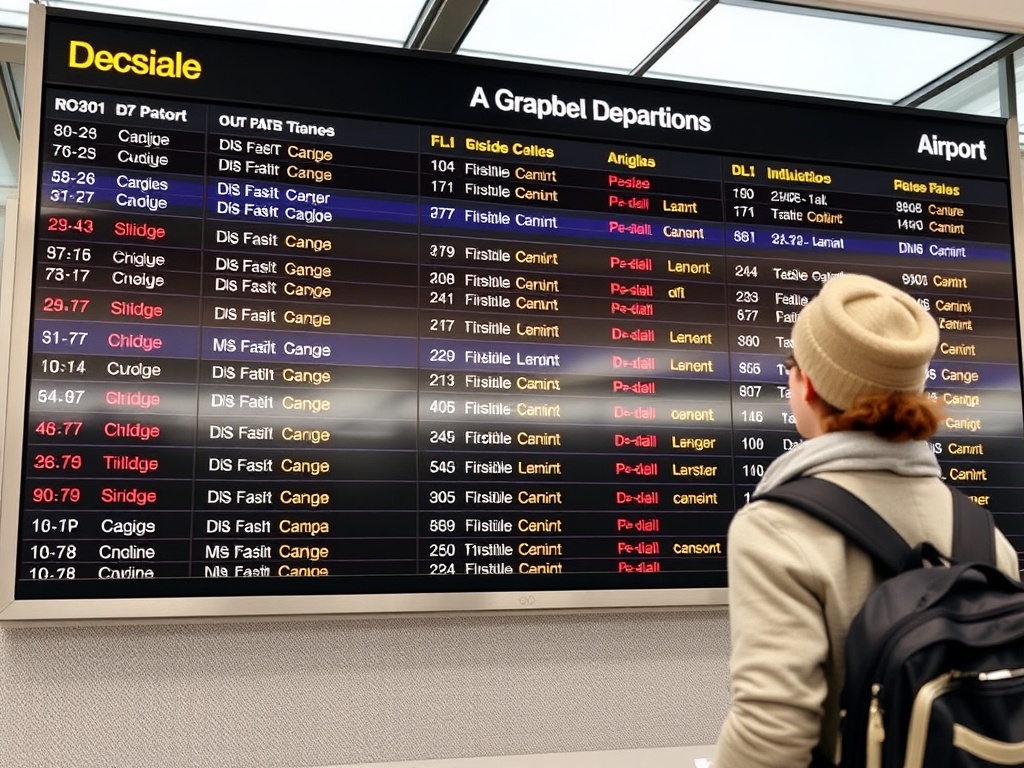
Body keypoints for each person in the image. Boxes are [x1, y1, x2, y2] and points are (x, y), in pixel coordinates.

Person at [713, 273, 1021, 768]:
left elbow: (770, 736)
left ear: (806, 383)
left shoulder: (775, 529)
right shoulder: (985, 536)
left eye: (791, 365)